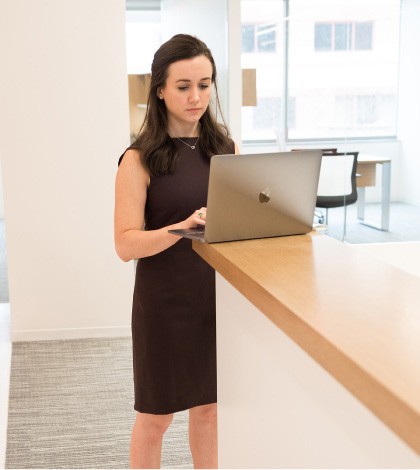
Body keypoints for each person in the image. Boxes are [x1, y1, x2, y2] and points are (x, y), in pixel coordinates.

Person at [114, 34, 238, 469]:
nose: (196, 96)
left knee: (209, 410)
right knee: (156, 418)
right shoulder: (138, 158)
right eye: (183, 86)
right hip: (164, 304)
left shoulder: (225, 149)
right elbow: (125, 244)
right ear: (160, 89)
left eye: (204, 84)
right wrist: (180, 228)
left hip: (215, 300)